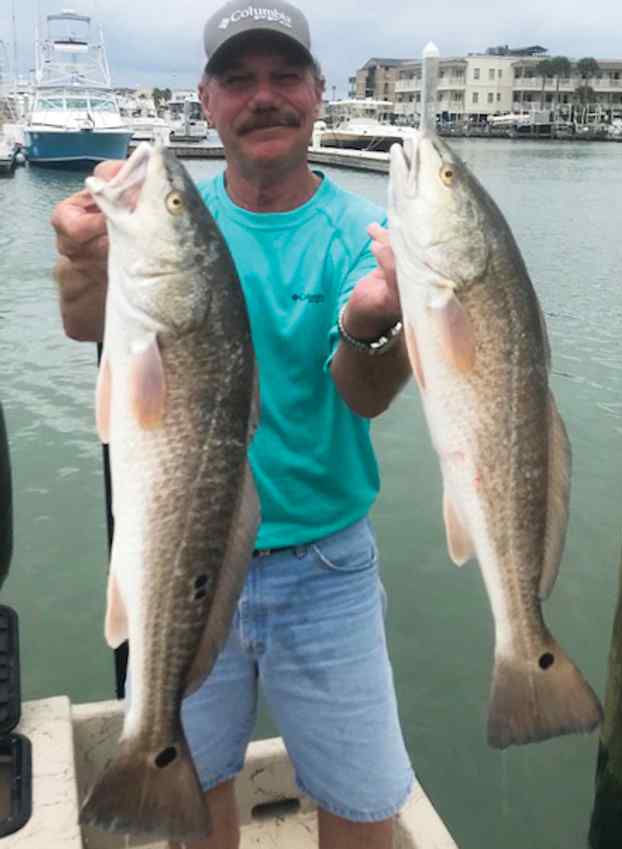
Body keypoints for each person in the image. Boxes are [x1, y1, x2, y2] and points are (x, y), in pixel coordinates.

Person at [51, 1, 415, 847]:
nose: (265, 97)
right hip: (180, 555)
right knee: (195, 779)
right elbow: (85, 324)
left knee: (365, 802)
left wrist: (372, 321)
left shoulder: (362, 235)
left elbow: (366, 391)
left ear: (319, 94)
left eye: (285, 76)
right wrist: (79, 259)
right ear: (206, 100)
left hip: (326, 565)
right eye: (239, 79)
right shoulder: (168, 227)